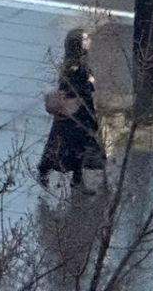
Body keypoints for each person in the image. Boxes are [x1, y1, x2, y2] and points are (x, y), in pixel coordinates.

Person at [38, 28, 104, 194]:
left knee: (79, 147)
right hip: (74, 114)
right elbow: (72, 88)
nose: (89, 41)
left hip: (82, 112)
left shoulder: (79, 64)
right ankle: (46, 170)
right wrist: (89, 83)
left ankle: (77, 180)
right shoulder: (74, 67)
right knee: (67, 146)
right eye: (85, 39)